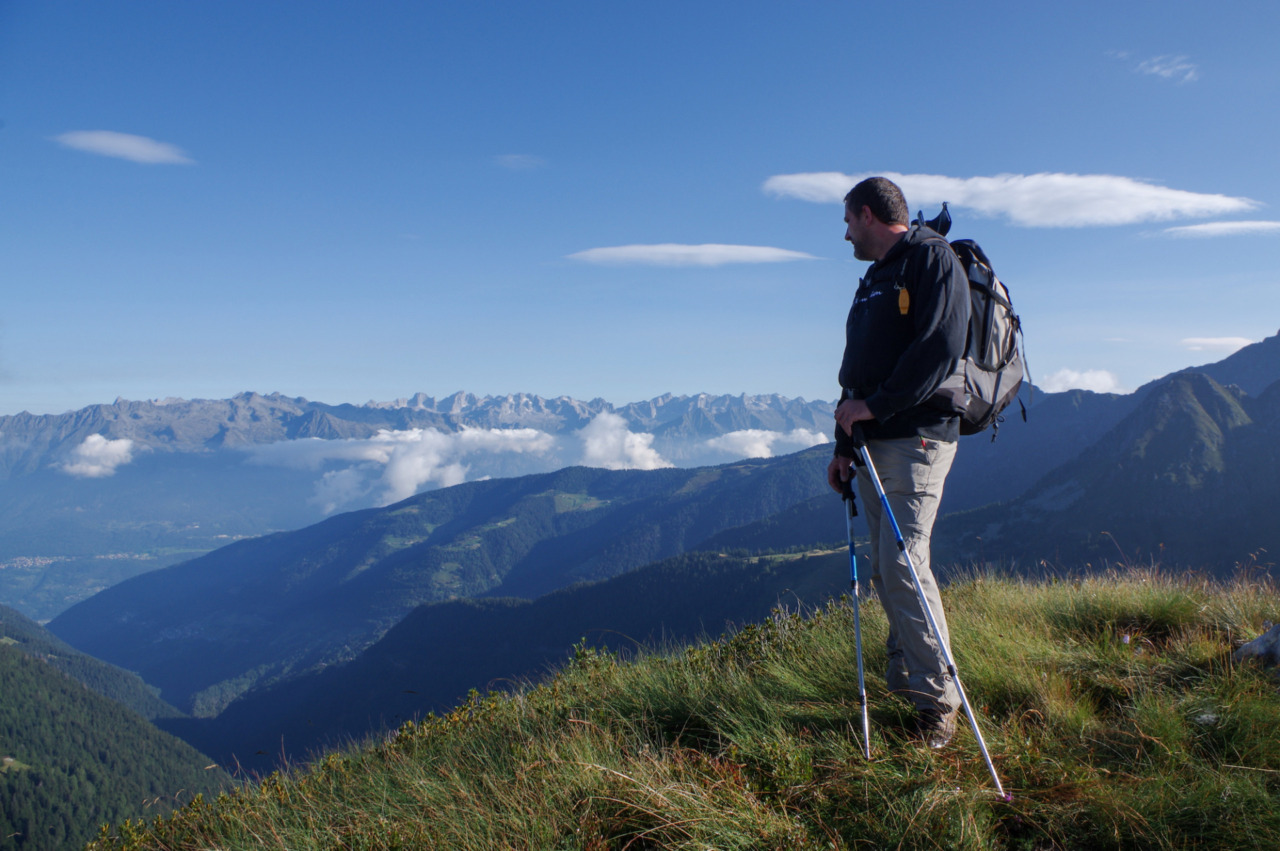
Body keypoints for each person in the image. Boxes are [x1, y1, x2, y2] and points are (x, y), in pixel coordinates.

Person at [826, 176, 970, 748]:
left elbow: (940, 349)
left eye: (847, 222)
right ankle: (907, 682)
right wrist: (843, 447)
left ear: (867, 214)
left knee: (906, 565)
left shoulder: (932, 262)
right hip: (872, 445)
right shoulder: (874, 280)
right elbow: (854, 371)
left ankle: (939, 703)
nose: (844, 235)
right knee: (888, 567)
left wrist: (876, 407)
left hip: (917, 441)